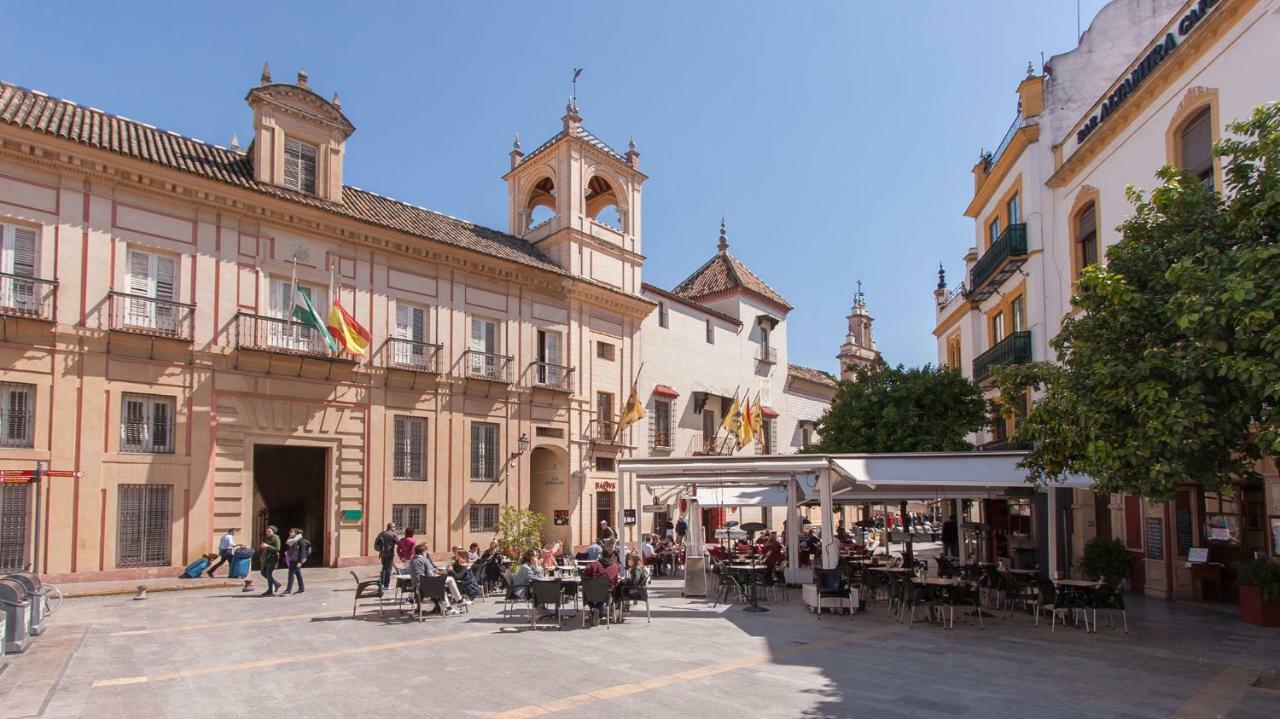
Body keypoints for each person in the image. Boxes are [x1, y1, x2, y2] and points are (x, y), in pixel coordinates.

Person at [409, 543, 468, 615]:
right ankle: (459, 601)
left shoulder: (412, 560)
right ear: (423, 552)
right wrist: (437, 574)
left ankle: (448, 608)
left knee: (442, 585)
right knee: (450, 579)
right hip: (427, 585)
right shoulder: (424, 559)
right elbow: (430, 574)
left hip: (418, 588)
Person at [580, 540, 620, 625]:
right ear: (610, 557)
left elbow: (584, 575)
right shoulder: (615, 567)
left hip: (591, 591)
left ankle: (593, 609)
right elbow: (615, 581)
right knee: (604, 592)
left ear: (601, 556)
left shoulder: (593, 564)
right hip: (606, 593)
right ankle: (597, 609)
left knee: (586, 592)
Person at [283, 527, 311, 595]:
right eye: (290, 532)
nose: (290, 533)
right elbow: (290, 549)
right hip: (293, 558)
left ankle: (288, 590)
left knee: (291, 574)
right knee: (298, 574)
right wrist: (287, 553)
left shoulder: (301, 541)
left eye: (291, 532)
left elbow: (302, 552)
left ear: (296, 533)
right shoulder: (291, 540)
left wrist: (299, 562)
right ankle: (301, 589)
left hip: (297, 560)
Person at [258, 525, 282, 596]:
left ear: (273, 531)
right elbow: (267, 547)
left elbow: (277, 549)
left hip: (272, 558)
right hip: (266, 558)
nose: (267, 533)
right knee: (263, 573)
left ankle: (270, 590)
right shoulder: (268, 538)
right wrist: (264, 546)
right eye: (267, 531)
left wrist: (268, 546)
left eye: (269, 531)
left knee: (268, 574)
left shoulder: (276, 538)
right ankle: (276, 583)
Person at [374, 522, 398, 590]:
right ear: (391, 527)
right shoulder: (393, 534)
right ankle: (386, 585)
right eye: (394, 527)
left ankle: (381, 583)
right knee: (388, 569)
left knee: (384, 568)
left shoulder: (382, 533)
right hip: (390, 554)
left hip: (382, 554)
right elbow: (398, 542)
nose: (395, 528)